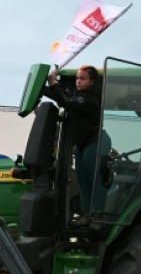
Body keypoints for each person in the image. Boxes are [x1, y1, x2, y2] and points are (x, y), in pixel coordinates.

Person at [42, 64, 112, 225]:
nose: (78, 81)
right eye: (77, 78)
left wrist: (53, 84)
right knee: (82, 179)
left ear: (92, 82)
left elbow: (66, 101)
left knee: (94, 179)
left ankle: (98, 216)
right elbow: (60, 97)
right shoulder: (76, 96)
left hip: (96, 140)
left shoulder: (88, 99)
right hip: (82, 144)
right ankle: (86, 214)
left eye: (83, 79)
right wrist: (42, 87)